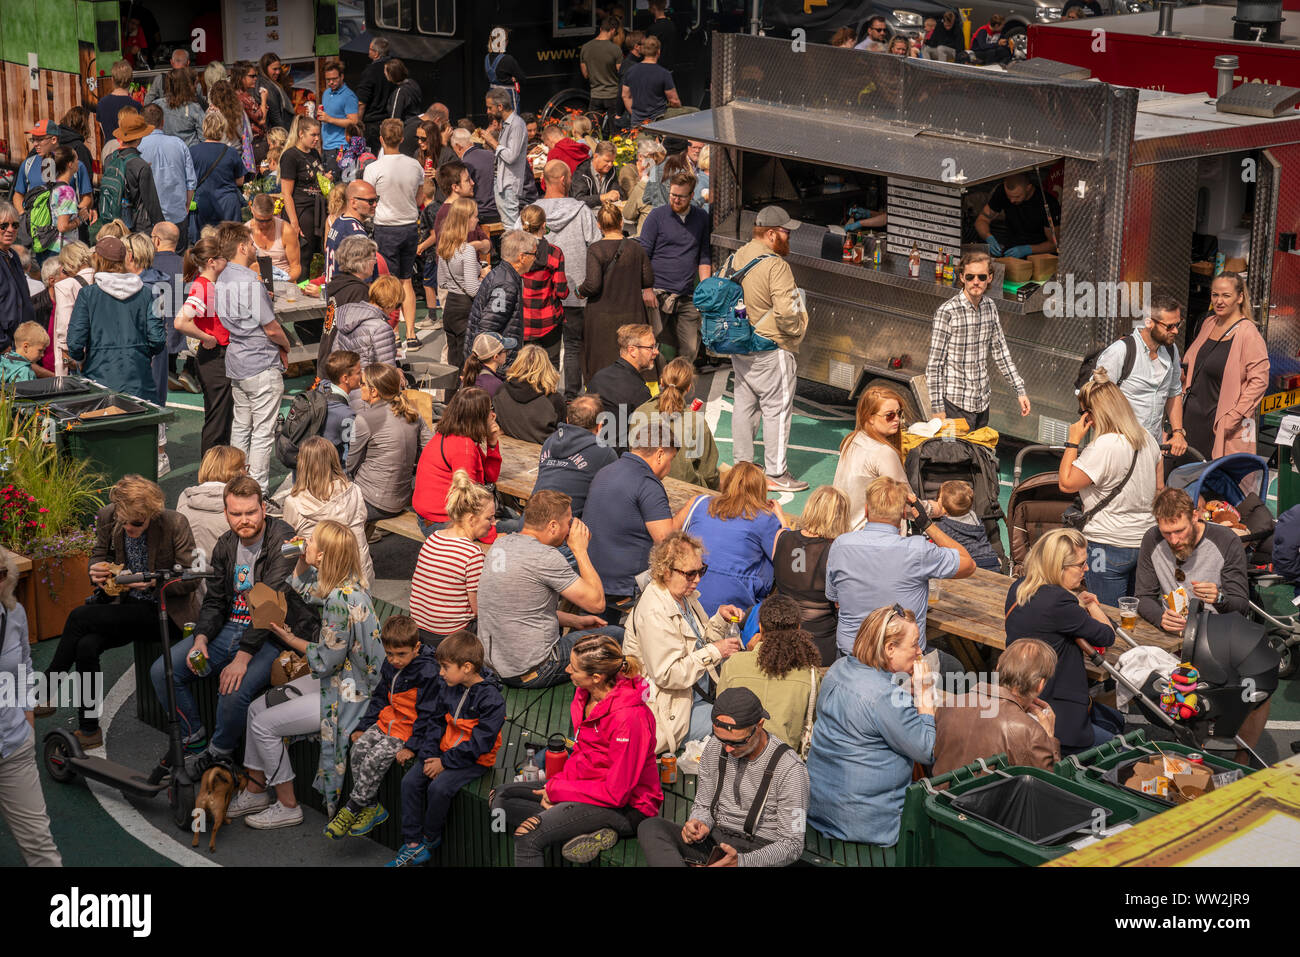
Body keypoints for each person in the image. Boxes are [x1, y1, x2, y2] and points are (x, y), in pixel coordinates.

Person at [234, 521, 385, 827]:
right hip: (341, 679)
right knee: (255, 707)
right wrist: (303, 558)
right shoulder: (348, 582)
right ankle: (255, 788)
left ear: (324, 556)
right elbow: (309, 591)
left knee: (263, 724)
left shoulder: (341, 604)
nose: (306, 542)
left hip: (348, 693)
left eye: (312, 542)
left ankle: (288, 805)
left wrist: (290, 640)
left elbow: (325, 661)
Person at [150, 476, 300, 774]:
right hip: (228, 629)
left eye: (251, 512)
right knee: (162, 671)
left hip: (272, 634)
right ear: (226, 512)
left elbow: (269, 604)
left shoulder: (284, 540)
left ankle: (218, 753)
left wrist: (242, 658)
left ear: (263, 509)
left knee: (234, 691)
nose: (244, 520)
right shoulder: (226, 544)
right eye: (236, 514)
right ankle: (192, 735)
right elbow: (216, 601)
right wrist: (202, 638)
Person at [37, 477, 198, 747]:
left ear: (152, 514)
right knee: (86, 646)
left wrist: (153, 580)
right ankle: (89, 730)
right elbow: (99, 554)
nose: (129, 528)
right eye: (124, 522)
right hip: (124, 605)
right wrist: (96, 569)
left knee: (79, 617)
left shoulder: (174, 523)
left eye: (137, 523)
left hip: (163, 611)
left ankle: (47, 690)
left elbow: (192, 578)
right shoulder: (108, 516)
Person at [490, 633, 661, 865]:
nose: (567, 670)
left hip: (628, 807)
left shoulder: (629, 719)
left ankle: (568, 823)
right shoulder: (584, 695)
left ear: (597, 677)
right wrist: (559, 789)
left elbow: (617, 792)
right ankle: (576, 828)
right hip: (585, 787)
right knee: (500, 797)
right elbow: (584, 754)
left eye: (574, 667)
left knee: (528, 835)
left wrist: (558, 791)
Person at [638, 684, 808, 867]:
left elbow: (792, 845)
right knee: (651, 827)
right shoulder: (714, 747)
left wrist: (741, 862)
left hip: (761, 853)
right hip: (717, 841)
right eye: (722, 740)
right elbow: (704, 804)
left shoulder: (790, 768)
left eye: (737, 742)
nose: (727, 749)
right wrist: (699, 823)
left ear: (759, 725)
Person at [806, 604, 935, 845]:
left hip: (818, 809)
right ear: (889, 648)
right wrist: (925, 695)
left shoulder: (836, 670)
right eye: (915, 644)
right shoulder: (885, 697)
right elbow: (926, 750)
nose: (920, 651)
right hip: (869, 826)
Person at [477, 489, 615, 689]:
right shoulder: (546, 557)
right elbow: (597, 603)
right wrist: (580, 550)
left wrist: (576, 620)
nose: (569, 529)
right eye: (568, 522)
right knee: (614, 636)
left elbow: (523, 610)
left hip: (494, 665)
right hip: (533, 669)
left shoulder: (501, 544)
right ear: (552, 526)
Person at [622, 531, 745, 753]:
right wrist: (715, 651)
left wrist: (719, 621)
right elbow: (668, 674)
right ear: (665, 572)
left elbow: (698, 643)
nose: (697, 579)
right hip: (672, 710)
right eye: (690, 574)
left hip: (696, 697)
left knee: (747, 711)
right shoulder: (654, 613)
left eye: (701, 571)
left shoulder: (682, 596)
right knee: (741, 727)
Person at [390, 629, 506, 865]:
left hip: (474, 760)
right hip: (442, 753)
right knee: (410, 782)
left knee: (439, 789)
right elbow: (435, 721)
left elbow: (480, 744)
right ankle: (412, 843)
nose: (440, 673)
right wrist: (431, 754)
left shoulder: (491, 700)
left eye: (445, 667)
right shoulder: (448, 686)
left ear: (466, 667)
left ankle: (430, 838)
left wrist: (445, 762)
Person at [827, 476, 974, 657]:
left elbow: (835, 599)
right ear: (904, 514)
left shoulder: (841, 545)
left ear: (866, 510)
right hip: (899, 661)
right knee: (956, 668)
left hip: (852, 653)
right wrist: (927, 524)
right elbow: (968, 563)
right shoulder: (918, 550)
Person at [1005, 528, 1121, 754]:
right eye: (1080, 564)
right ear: (1058, 566)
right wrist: (1090, 604)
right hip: (1057, 713)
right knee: (1122, 748)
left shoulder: (1018, 588)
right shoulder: (1059, 602)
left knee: (1114, 720)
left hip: (1023, 700)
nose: (1086, 569)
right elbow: (1107, 636)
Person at [321, 614, 435, 840]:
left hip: (407, 731)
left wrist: (412, 746)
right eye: (390, 654)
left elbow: (428, 715)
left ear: (417, 647)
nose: (394, 660)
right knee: (357, 750)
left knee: (375, 758)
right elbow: (381, 697)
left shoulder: (428, 673)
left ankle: (353, 807)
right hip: (386, 722)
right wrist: (364, 726)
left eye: (401, 654)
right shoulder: (390, 666)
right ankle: (372, 806)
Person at [1058, 373, 1163, 607]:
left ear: (1097, 412)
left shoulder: (1104, 446)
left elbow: (1066, 483)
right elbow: (1160, 488)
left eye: (1086, 412)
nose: (1087, 419)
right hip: (1145, 542)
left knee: (1107, 616)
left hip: (1104, 546)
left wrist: (1073, 441)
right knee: (1139, 616)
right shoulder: (1149, 439)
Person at [728, 206, 811, 492]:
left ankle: (743, 466)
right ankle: (776, 472)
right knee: (777, 409)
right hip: (771, 347)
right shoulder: (776, 265)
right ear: (772, 233)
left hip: (739, 343)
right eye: (786, 231)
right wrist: (795, 333)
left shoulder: (738, 255)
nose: (789, 237)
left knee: (744, 405)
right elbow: (787, 312)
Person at [216, 223, 290, 492]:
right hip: (259, 361)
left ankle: (234, 482)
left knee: (241, 426)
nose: (255, 246)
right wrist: (286, 344)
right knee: (261, 432)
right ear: (242, 247)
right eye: (250, 242)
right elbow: (271, 327)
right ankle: (256, 489)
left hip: (238, 360)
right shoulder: (248, 280)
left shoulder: (222, 278)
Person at [584, 411, 679, 619]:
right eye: (671, 460)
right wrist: (689, 509)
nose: (669, 468)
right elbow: (667, 541)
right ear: (660, 453)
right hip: (624, 587)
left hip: (590, 575)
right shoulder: (647, 483)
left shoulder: (605, 471)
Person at [1171, 273, 1268, 475]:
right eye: (1215, 295)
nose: (1219, 301)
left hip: (1217, 426)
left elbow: (1259, 381)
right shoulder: (1209, 323)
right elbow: (1192, 363)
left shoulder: (1248, 333)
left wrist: (1234, 416)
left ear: (1240, 297)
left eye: (1226, 295)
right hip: (1191, 421)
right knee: (1181, 480)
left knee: (1209, 486)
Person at [0, 550, 62, 865]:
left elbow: (24, 663)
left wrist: (27, 716)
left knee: (41, 848)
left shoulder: (14, 614)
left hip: (12, 747)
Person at [925, 249, 1031, 430]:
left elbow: (1001, 353)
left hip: (982, 404)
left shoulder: (990, 307)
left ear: (989, 278)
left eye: (981, 277)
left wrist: (1020, 390)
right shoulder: (947, 311)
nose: (976, 282)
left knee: (977, 456)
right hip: (954, 405)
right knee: (953, 457)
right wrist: (937, 409)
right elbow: (935, 365)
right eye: (970, 276)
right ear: (961, 277)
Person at [931, 638, 1061, 775]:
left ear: (998, 667)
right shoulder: (1032, 732)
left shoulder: (949, 705)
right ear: (1040, 684)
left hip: (941, 795)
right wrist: (1049, 738)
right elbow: (1052, 784)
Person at [1135, 487, 1250, 634]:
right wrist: (1161, 618)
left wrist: (1219, 598)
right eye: (1166, 533)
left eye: (1179, 530)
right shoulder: (1152, 539)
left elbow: (1241, 607)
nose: (1174, 540)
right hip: (1172, 631)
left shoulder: (1226, 540)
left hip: (1214, 632)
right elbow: (1143, 596)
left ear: (1194, 517)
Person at [717, 596, 822, 758]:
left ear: (760, 627)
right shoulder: (810, 673)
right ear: (799, 628)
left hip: (737, 756)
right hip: (786, 761)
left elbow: (721, 709)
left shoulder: (734, 663)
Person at [681, 462, 789, 617]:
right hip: (736, 611)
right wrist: (783, 523)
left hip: (687, 602)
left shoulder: (701, 504)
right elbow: (795, 563)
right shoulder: (764, 519)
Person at [66, 235, 163, 402]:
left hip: (98, 376)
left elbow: (75, 342)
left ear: (98, 260)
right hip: (139, 376)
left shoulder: (88, 294)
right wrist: (140, 354)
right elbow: (157, 339)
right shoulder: (148, 293)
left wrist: (80, 360)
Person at [536, 161, 601, 394]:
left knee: (544, 349)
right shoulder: (581, 210)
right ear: (564, 180)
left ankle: (546, 394)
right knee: (574, 346)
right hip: (576, 290)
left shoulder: (532, 212)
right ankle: (572, 396)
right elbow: (596, 245)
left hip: (540, 294)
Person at [409, 471, 493, 643]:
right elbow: (478, 609)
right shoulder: (472, 555)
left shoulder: (434, 538)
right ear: (472, 519)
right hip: (450, 637)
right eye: (489, 518)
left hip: (418, 628)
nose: (492, 523)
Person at [578, 202, 654, 388]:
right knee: (634, 358)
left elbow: (593, 285)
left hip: (601, 317)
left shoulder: (596, 250)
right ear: (621, 222)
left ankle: (602, 401)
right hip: (632, 314)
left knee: (601, 361)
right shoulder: (636, 248)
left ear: (599, 225)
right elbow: (647, 279)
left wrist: (579, 291)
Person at [1094, 295, 1186, 447]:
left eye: (1178, 324)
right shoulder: (1121, 351)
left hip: (1152, 446)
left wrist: (1177, 433)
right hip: (1121, 445)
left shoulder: (1171, 350)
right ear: (1149, 322)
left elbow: (1174, 392)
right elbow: (1096, 398)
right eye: (1169, 326)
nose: (1175, 331)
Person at [639, 170, 710, 365]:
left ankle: (679, 386)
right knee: (655, 346)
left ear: (691, 196)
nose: (676, 200)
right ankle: (660, 386)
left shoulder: (701, 218)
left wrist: (705, 291)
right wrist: (646, 289)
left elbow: (704, 256)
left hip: (687, 295)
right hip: (658, 292)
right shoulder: (657, 216)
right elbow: (643, 254)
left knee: (690, 347)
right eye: (673, 195)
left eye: (680, 196)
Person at [772, 485, 849, 666]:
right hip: (820, 642)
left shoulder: (782, 537)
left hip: (782, 636)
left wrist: (782, 520)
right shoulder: (834, 551)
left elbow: (796, 557)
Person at [413, 386, 502, 538]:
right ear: (477, 417)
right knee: (521, 528)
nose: (493, 415)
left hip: (437, 515)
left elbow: (489, 478)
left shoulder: (455, 434)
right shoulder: (463, 447)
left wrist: (492, 444)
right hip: (442, 522)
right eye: (489, 410)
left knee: (518, 522)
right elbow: (469, 501)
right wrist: (492, 535)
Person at [364, 118, 424, 346]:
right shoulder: (414, 165)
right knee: (406, 280)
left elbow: (369, 201)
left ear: (381, 139)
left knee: (387, 281)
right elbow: (419, 198)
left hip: (386, 227)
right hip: (409, 225)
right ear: (401, 138)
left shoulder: (373, 168)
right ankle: (410, 333)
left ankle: (393, 334)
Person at [347, 362, 430, 524]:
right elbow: (430, 449)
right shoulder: (413, 414)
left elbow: (350, 464)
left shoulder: (364, 419)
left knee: (318, 513)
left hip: (372, 501)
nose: (359, 386)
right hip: (403, 497)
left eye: (362, 383)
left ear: (374, 391)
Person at [283, 436, 375, 584]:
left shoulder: (295, 504)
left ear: (302, 464)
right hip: (362, 575)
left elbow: (288, 549)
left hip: (324, 584)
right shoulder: (354, 491)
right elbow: (362, 521)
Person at [172, 236, 232, 453]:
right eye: (224, 258)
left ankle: (216, 470)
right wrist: (206, 337)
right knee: (217, 420)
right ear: (212, 262)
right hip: (214, 358)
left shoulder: (207, 284)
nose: (228, 262)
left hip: (218, 357)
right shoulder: (203, 286)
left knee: (222, 418)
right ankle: (210, 473)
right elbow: (180, 321)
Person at [833, 384, 910, 530]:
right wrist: (935, 508)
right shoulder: (883, 452)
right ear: (870, 417)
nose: (897, 419)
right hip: (868, 535)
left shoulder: (851, 439)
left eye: (899, 413)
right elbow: (906, 502)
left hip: (840, 529)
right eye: (890, 415)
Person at [635, 357, 718, 489]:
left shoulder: (640, 412)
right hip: (685, 492)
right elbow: (709, 473)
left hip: (644, 486)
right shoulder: (696, 422)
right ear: (689, 387)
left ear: (661, 382)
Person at [533, 395, 620, 519]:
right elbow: (613, 497)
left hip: (529, 521)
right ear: (600, 426)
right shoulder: (604, 453)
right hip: (562, 531)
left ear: (568, 420)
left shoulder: (550, 441)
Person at [436, 196, 489, 376]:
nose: (477, 219)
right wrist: (485, 277)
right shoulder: (467, 251)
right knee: (469, 367)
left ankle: (449, 400)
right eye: (474, 216)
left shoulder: (445, 246)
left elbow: (442, 281)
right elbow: (474, 290)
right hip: (465, 309)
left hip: (450, 306)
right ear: (466, 219)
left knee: (454, 364)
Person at [586, 323, 657, 456]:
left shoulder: (598, 377)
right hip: (620, 459)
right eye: (651, 347)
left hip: (591, 452)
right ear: (632, 350)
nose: (656, 352)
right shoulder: (639, 391)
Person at [176, 446, 248, 571]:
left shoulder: (184, 498)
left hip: (185, 581)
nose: (247, 473)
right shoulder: (242, 506)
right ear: (237, 472)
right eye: (244, 468)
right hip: (224, 582)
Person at [467, 228, 537, 350]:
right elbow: (487, 330)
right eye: (534, 254)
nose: (535, 258)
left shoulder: (503, 274)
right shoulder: (506, 285)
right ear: (522, 257)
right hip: (497, 361)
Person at [518, 204, 568, 368]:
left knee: (526, 367)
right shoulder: (554, 253)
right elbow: (561, 292)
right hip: (549, 321)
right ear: (544, 225)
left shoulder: (515, 254)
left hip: (523, 320)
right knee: (550, 366)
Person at [279, 116, 329, 268]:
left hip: (317, 210)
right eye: (313, 135)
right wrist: (294, 223)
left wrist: (325, 178)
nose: (316, 139)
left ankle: (309, 288)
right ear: (301, 134)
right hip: (300, 211)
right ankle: (300, 290)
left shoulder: (314, 153)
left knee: (315, 255)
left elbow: (315, 178)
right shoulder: (290, 156)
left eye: (318, 135)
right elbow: (286, 193)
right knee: (303, 258)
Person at [493, 344, 568, 444]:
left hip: (509, 449)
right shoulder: (554, 399)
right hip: (543, 453)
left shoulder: (501, 390)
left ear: (518, 363)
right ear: (546, 367)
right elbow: (562, 437)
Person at [976, 173, 1060, 259]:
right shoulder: (1002, 191)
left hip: (1040, 255)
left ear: (1028, 188)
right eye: (1009, 197)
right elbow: (982, 219)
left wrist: (1028, 249)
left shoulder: (1047, 203)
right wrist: (988, 236)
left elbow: (1054, 244)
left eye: (1017, 196)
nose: (1012, 201)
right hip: (1011, 250)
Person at [479, 88, 528, 232]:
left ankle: (516, 254)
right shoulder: (507, 124)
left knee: (511, 227)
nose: (488, 111)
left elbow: (511, 156)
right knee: (509, 225)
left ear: (500, 107)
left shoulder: (517, 124)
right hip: (502, 182)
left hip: (509, 184)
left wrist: (492, 141)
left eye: (490, 108)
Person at [189, 113, 245, 232]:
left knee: (205, 244)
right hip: (228, 204)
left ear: (204, 128)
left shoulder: (193, 151)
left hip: (203, 202)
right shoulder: (231, 152)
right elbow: (240, 181)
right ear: (222, 129)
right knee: (230, 242)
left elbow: (189, 180)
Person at [333, 273, 402, 367]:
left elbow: (335, 354)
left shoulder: (347, 317)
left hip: (347, 378)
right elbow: (387, 372)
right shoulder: (382, 328)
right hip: (368, 379)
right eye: (397, 305)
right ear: (392, 302)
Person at [933, 480, 1000, 573]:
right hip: (992, 561)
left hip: (971, 566)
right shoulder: (974, 516)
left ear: (943, 508)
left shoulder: (942, 526)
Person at [48, 242, 92, 375]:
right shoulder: (101, 279)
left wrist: (67, 361)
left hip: (76, 356)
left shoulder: (66, 285)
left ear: (71, 264)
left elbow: (64, 327)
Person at [324, 184, 378, 285]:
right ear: (354, 202)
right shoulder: (356, 234)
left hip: (336, 293)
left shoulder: (338, 221)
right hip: (352, 296)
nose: (375, 204)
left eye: (376, 200)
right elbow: (364, 280)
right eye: (370, 201)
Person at [621, 35, 679, 126]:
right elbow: (674, 100)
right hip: (658, 121)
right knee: (694, 111)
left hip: (637, 121)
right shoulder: (664, 73)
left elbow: (625, 96)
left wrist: (635, 114)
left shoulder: (630, 71)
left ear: (643, 51)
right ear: (658, 52)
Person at [0, 203, 34, 348]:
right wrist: (2, 343)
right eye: (3, 226)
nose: (10, 230)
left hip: (18, 342)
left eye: (14, 225)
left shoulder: (13, 255)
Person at [206, 79, 256, 175]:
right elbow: (249, 136)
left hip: (216, 159)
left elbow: (205, 136)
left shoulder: (210, 113)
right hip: (236, 157)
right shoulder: (240, 112)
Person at [581, 18, 625, 129]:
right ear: (613, 30)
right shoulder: (616, 49)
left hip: (595, 95)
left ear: (601, 29)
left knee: (594, 131)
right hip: (613, 96)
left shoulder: (585, 48)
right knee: (615, 132)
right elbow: (621, 72)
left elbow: (585, 74)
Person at [249, 193, 301, 282]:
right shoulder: (246, 232)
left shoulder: (286, 231)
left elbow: (296, 267)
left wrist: (283, 281)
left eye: (268, 220)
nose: (264, 224)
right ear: (252, 211)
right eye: (260, 220)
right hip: (256, 283)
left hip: (284, 283)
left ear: (273, 212)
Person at [449, 128, 498, 224]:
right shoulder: (492, 155)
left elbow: (461, 192)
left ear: (458, 147)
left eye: (453, 149)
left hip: (481, 213)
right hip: (500, 210)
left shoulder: (465, 163)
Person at [356, 38, 395, 149]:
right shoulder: (394, 67)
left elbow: (361, 102)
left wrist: (358, 124)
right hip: (392, 122)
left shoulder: (370, 71)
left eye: (370, 49)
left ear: (376, 53)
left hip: (373, 125)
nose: (368, 51)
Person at [319, 59, 359, 154]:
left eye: (334, 78)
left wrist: (329, 119)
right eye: (328, 79)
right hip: (326, 145)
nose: (331, 82)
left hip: (341, 147)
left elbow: (354, 122)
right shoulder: (326, 93)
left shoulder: (349, 95)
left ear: (342, 77)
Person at [158, 68, 205, 147]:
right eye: (194, 83)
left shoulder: (157, 105)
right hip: (190, 154)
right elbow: (204, 137)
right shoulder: (194, 108)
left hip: (165, 153)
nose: (196, 87)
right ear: (187, 86)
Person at [571, 142, 624, 211]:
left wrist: (617, 195)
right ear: (596, 156)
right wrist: (602, 197)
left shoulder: (611, 170)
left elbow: (617, 191)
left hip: (608, 215)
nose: (610, 164)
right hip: (587, 215)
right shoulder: (582, 172)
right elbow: (578, 200)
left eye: (612, 161)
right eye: (607, 161)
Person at [96, 59, 139, 143]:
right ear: (131, 80)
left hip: (110, 150)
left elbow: (104, 132)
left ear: (112, 79)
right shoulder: (137, 106)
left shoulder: (102, 103)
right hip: (130, 151)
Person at [462, 331, 512, 399]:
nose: (507, 354)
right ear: (496, 357)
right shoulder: (494, 385)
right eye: (506, 351)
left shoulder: (472, 375)